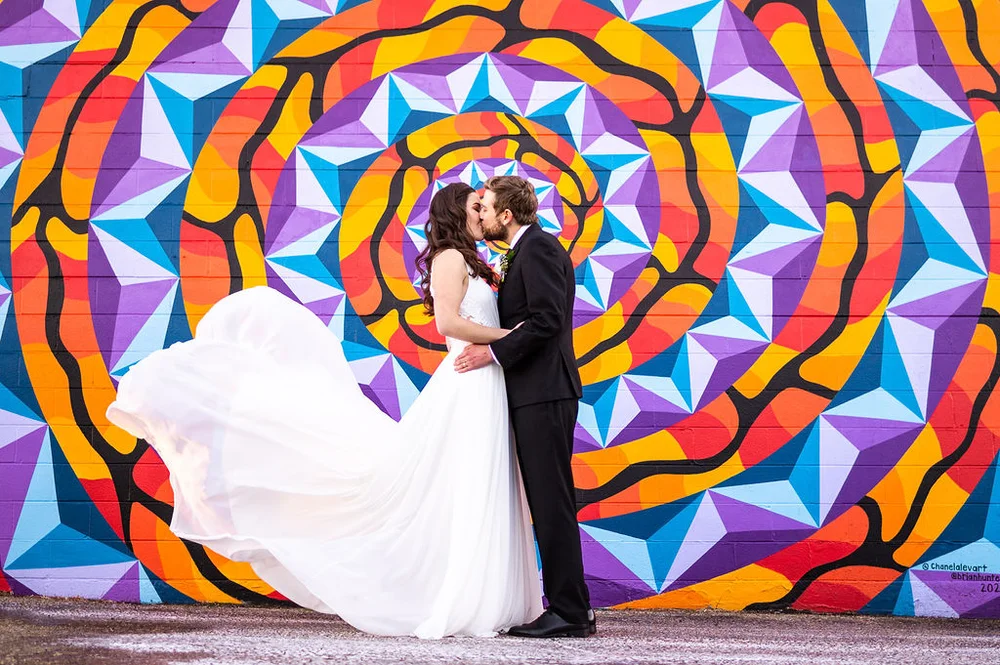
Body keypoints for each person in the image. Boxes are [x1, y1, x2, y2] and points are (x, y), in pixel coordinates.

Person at [106, 182, 543, 639]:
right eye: (476, 206)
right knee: (468, 485)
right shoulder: (451, 258)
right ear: (457, 212)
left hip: (486, 381)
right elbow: (449, 323)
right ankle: (459, 596)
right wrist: (512, 337)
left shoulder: (474, 261)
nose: (484, 213)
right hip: (469, 381)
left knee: (482, 484)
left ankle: (488, 594)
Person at [456, 175, 594, 638]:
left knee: (551, 501)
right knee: (545, 500)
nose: (483, 216)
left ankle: (571, 613)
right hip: (534, 392)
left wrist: (491, 353)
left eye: (487, 208)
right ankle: (571, 608)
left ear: (506, 214)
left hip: (545, 392)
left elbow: (547, 320)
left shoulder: (538, 248)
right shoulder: (525, 250)